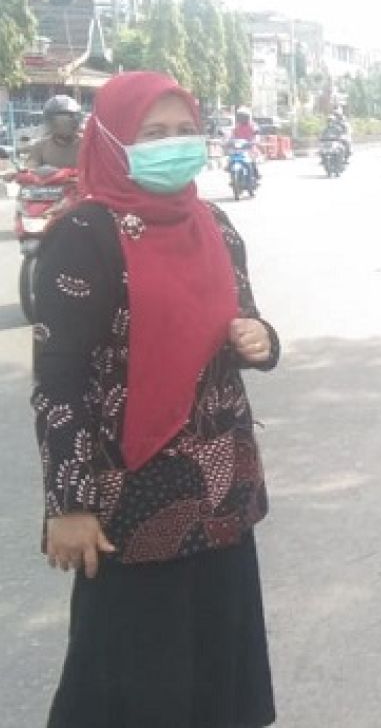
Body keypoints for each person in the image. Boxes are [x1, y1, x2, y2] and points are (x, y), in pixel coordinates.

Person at [32, 71, 279, 728]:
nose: (176, 145)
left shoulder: (215, 224)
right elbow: (59, 381)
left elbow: (244, 320)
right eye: (154, 134)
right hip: (129, 509)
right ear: (113, 141)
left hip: (220, 497)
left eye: (185, 131)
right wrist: (70, 504)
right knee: (130, 684)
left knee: (218, 675)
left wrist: (263, 338)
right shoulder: (83, 236)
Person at [27, 94, 84, 169]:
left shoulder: (86, 146)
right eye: (61, 119)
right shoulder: (40, 146)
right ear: (51, 121)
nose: (66, 123)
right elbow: (31, 170)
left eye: (70, 117)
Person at [229, 106, 262, 183]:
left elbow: (257, 134)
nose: (242, 118)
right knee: (231, 158)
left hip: (249, 147)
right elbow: (231, 136)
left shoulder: (252, 125)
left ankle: (255, 173)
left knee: (252, 160)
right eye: (240, 116)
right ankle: (231, 172)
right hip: (238, 147)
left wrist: (255, 140)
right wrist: (227, 141)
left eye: (243, 116)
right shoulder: (236, 127)